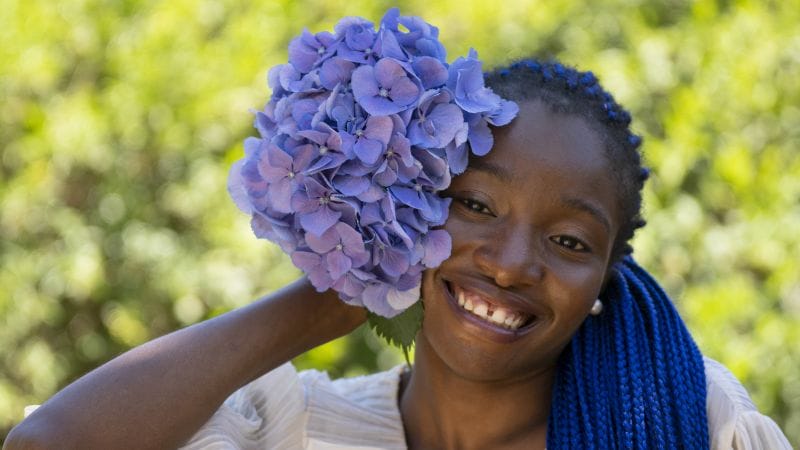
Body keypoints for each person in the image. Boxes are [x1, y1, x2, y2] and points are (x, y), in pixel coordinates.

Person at [4, 11, 792, 450]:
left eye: (570, 242)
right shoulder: (293, 429)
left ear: (606, 280)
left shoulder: (684, 419)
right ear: (407, 197)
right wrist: (331, 298)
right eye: (477, 207)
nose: (513, 264)